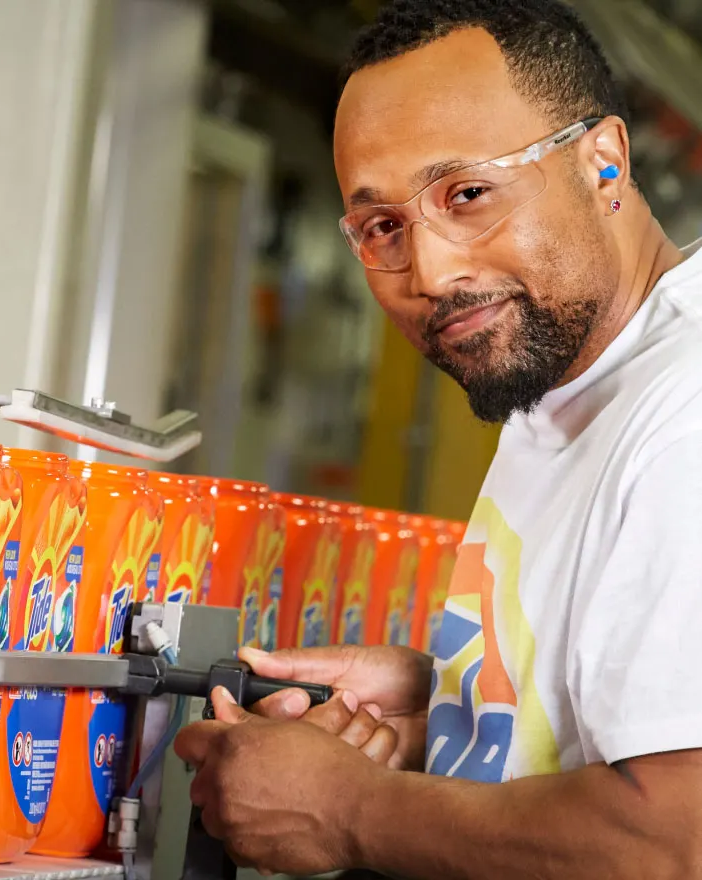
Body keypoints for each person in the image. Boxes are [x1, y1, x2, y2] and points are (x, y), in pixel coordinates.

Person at [174, 1, 702, 877]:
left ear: (602, 161)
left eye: (466, 195)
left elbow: (673, 839)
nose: (431, 274)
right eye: (382, 227)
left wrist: (349, 807)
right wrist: (464, 705)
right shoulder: (570, 381)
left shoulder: (684, 405)